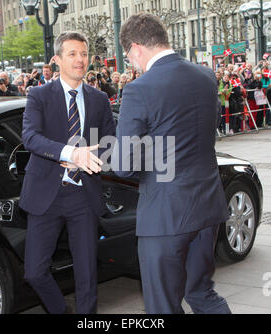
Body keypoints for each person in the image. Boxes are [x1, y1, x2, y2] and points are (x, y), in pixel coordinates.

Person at [112, 13, 231, 314]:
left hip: (165, 215)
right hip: (207, 206)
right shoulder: (206, 76)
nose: (132, 65)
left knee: (162, 307)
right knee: (202, 293)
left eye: (129, 57)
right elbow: (206, 130)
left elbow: (124, 165)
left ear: (136, 47)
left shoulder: (139, 89)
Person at [19, 31, 116, 314]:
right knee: (34, 272)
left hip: (83, 196)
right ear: (57, 60)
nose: (80, 60)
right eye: (72, 54)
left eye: (84, 54)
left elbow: (110, 144)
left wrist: (88, 156)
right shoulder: (38, 95)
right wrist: (70, 153)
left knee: (86, 276)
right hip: (44, 195)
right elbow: (31, 137)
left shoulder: (99, 99)